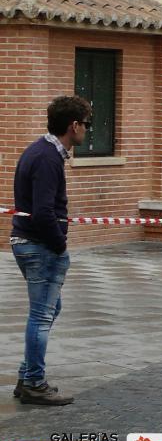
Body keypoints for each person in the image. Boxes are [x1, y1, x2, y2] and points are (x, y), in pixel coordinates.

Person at [11, 95, 91, 406]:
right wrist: (60, 245)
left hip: (27, 243)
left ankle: (26, 374)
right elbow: (44, 213)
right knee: (42, 315)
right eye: (86, 124)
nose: (87, 130)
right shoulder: (46, 159)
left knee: (48, 310)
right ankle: (33, 382)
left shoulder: (41, 151)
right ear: (73, 126)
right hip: (39, 246)